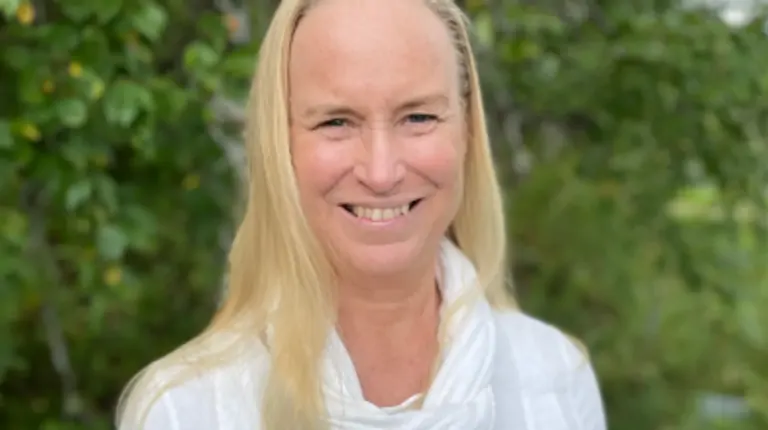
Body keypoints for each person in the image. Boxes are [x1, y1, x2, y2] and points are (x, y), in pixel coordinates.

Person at [116, 0, 607, 428]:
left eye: (418, 117)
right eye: (336, 121)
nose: (381, 171)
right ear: (280, 146)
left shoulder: (555, 379)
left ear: (467, 134)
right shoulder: (185, 409)